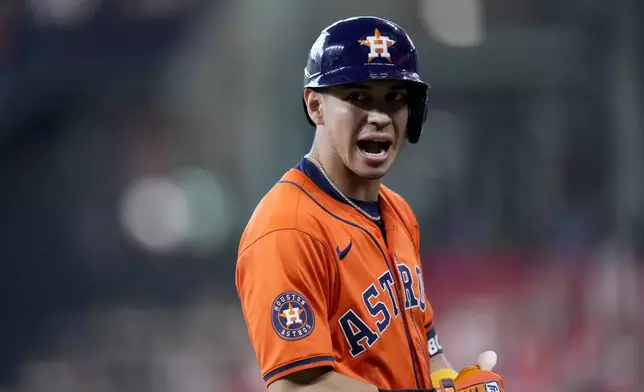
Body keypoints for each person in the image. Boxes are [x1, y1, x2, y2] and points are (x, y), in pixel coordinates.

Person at [236, 16, 505, 392]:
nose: (379, 116)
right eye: (358, 97)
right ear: (316, 107)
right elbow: (297, 387)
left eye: (394, 98)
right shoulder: (287, 229)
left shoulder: (398, 212)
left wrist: (451, 383)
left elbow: (427, 347)